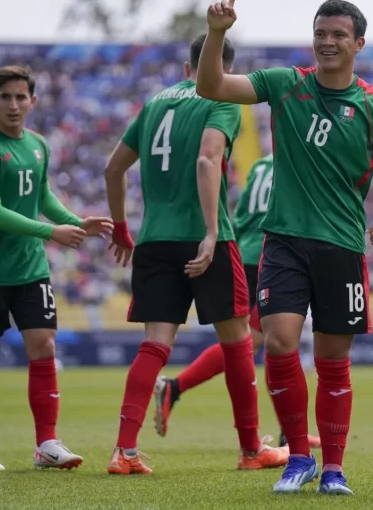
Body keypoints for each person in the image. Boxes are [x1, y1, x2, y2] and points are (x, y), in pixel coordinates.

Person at [195, 0, 373, 495]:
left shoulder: (372, 106)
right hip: (285, 243)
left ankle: (335, 469)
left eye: (338, 35)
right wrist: (217, 33)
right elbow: (210, 85)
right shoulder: (284, 84)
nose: (326, 42)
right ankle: (299, 456)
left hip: (342, 247)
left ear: (358, 43)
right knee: (277, 342)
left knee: (332, 361)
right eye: (320, 33)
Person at [104, 33, 288, 475]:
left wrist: (123, 228)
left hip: (154, 238)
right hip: (207, 235)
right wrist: (209, 232)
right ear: (221, 70)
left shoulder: (153, 104)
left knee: (154, 345)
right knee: (238, 339)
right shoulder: (221, 99)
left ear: (187, 67)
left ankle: (124, 452)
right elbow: (208, 161)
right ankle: (250, 450)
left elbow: (113, 168)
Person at [0, 65, 113, 471]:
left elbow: (43, 197)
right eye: (5, 97)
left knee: (44, 347)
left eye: (20, 97)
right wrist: (52, 232)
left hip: (31, 269)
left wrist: (78, 222)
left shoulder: (39, 145)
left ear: (32, 101)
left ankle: (47, 444)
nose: (13, 104)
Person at [153, 154, 320, 449]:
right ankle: (175, 387)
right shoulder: (301, 159)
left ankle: (288, 430)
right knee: (258, 341)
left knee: (269, 342)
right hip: (276, 256)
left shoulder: (259, 165)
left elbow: (240, 216)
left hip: (248, 254)